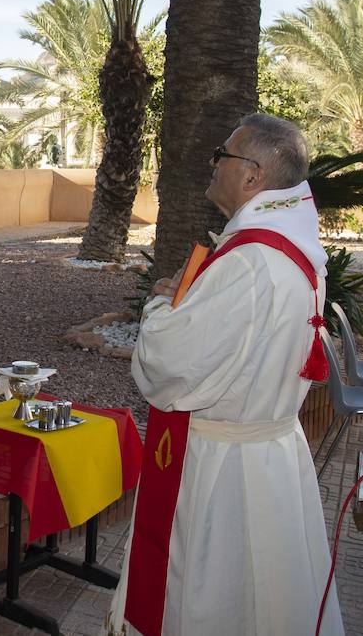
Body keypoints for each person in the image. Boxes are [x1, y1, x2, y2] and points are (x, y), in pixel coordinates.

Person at [107, 113, 344, 636]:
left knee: (214, 594)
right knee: (268, 594)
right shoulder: (294, 249)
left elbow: (171, 365)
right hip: (270, 454)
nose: (214, 164)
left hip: (223, 465)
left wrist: (162, 307)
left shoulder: (250, 262)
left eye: (224, 155)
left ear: (253, 176)